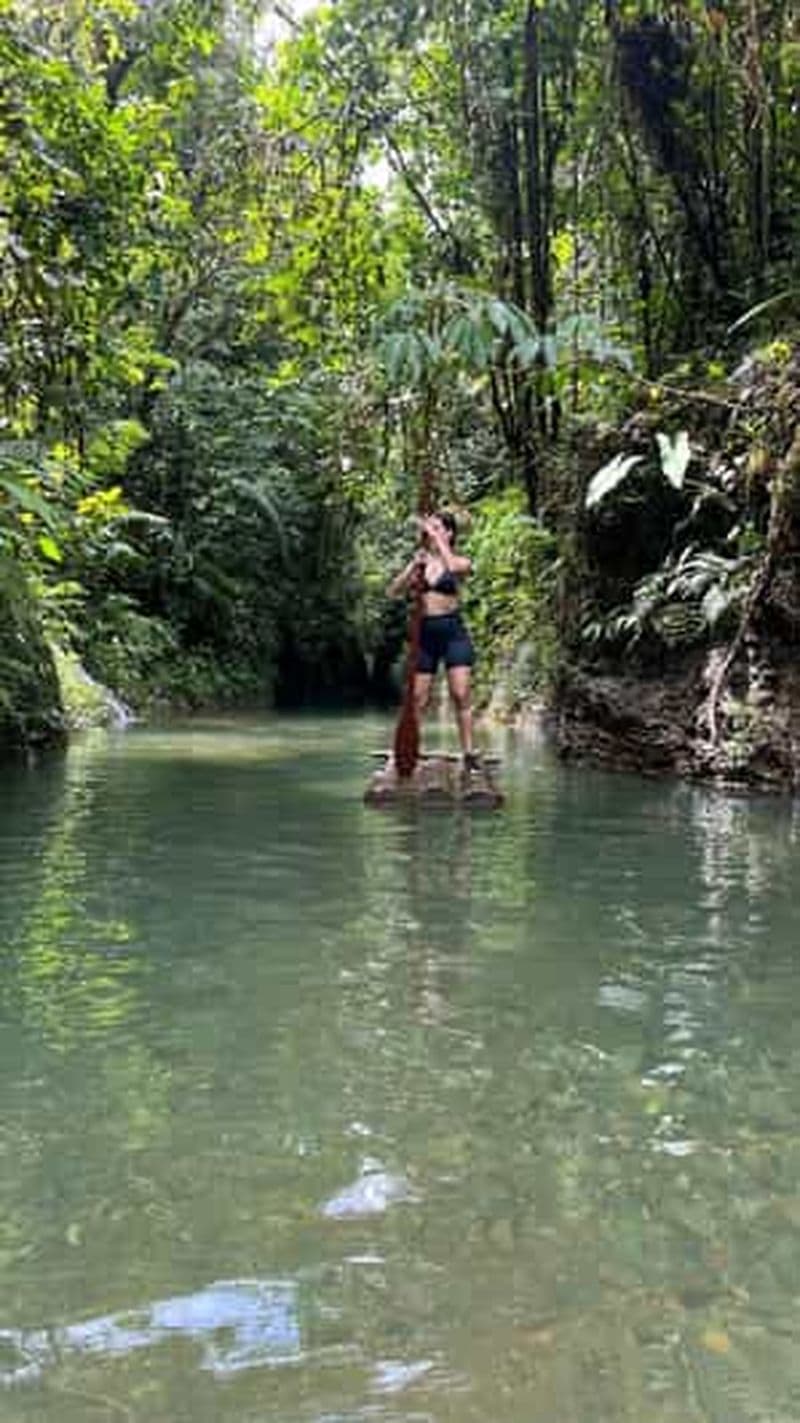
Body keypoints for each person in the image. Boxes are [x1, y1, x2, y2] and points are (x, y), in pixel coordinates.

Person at [387, 511, 480, 773]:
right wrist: (411, 568)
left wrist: (438, 540)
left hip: (453, 633)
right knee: (418, 699)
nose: (431, 532)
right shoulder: (421, 562)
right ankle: (412, 751)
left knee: (460, 694)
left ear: (450, 533)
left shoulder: (460, 561)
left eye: (439, 528)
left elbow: (452, 567)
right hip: (425, 636)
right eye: (430, 528)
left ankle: (469, 754)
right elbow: (393, 592)